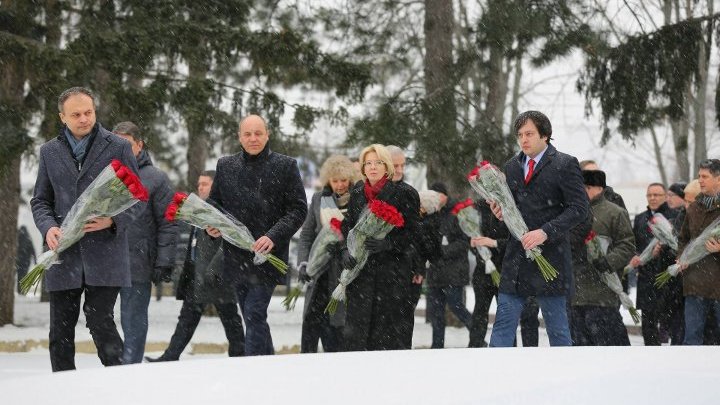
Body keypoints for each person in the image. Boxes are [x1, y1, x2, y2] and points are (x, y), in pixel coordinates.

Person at [31, 87, 144, 371]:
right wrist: (48, 228)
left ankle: (119, 382)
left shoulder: (117, 146)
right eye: (76, 114)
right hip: (63, 253)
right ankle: (63, 388)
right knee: (60, 331)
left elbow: (137, 197)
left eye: (88, 112)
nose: (84, 119)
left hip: (105, 253)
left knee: (99, 320)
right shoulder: (49, 151)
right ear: (62, 117)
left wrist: (113, 220)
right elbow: (41, 201)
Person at [207, 114, 307, 356]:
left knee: (254, 311)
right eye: (248, 134)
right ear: (240, 137)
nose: (253, 139)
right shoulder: (226, 165)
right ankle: (268, 362)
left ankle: (251, 368)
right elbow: (213, 203)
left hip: (268, 256)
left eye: (258, 133)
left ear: (267, 135)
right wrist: (211, 226)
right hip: (236, 256)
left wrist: (273, 236)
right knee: (252, 316)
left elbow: (298, 209)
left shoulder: (285, 166)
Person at [487, 111, 588, 347]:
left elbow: (579, 208)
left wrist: (545, 232)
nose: (523, 139)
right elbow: (511, 207)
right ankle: (492, 376)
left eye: (529, 133)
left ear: (545, 135)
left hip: (550, 258)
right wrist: (499, 213)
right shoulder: (511, 166)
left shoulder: (564, 163)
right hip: (516, 257)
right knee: (502, 326)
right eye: (520, 135)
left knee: (558, 331)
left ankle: (564, 380)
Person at [147, 171, 245, 361]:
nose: (200, 187)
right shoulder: (199, 208)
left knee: (230, 318)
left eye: (205, 184)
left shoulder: (225, 209)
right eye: (199, 184)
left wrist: (214, 269)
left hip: (217, 275)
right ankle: (170, 355)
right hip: (196, 273)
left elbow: (229, 244)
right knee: (188, 318)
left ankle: (240, 356)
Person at [340, 144, 420, 351]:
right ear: (363, 167)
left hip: (391, 275)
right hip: (361, 276)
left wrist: (390, 244)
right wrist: (344, 250)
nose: (373, 167)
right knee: (357, 336)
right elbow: (347, 225)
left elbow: (414, 233)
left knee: (388, 337)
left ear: (387, 166)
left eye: (378, 163)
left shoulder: (405, 193)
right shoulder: (357, 191)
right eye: (368, 163)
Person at [111, 121, 178, 364]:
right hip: (105, 260)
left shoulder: (156, 178)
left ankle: (130, 366)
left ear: (139, 145)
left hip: (137, 261)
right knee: (101, 319)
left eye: (127, 144)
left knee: (133, 319)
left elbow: (168, 222)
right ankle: (112, 363)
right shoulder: (104, 176)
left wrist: (164, 261)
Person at [296, 155, 358, 353]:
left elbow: (359, 238)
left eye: (343, 180)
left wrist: (344, 252)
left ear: (350, 179)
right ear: (327, 180)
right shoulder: (318, 199)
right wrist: (304, 263)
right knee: (310, 330)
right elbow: (306, 235)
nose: (339, 185)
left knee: (335, 332)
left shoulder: (358, 202)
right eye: (335, 180)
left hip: (342, 276)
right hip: (318, 274)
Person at [570, 170, 635, 346]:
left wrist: (608, 261)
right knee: (580, 348)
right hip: (575, 292)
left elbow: (627, 245)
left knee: (608, 346)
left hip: (602, 292)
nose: (581, 191)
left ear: (599, 188)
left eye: (586, 187)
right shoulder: (572, 212)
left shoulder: (615, 213)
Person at [425, 182, 472, 348]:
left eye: (439, 195)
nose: (436, 198)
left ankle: (477, 336)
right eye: (432, 195)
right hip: (435, 272)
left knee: (456, 306)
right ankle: (437, 345)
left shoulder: (458, 212)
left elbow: (464, 241)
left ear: (445, 196)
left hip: (454, 271)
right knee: (436, 313)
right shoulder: (429, 213)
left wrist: (442, 251)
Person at [629, 182, 677, 345]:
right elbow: (634, 244)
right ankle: (650, 352)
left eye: (657, 195)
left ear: (665, 197)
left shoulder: (674, 216)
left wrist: (662, 250)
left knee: (667, 321)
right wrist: (635, 257)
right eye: (649, 195)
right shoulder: (641, 218)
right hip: (646, 276)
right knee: (648, 322)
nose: (653, 198)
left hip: (666, 276)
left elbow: (678, 245)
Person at [679, 159, 720, 345]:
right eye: (699, 176)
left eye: (705, 176)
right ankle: (690, 373)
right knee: (692, 339)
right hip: (695, 283)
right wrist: (681, 258)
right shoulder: (694, 208)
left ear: (718, 179)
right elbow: (683, 238)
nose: (700, 181)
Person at [468, 201, 508, 347]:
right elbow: (472, 234)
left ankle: (505, 347)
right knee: (479, 313)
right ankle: (475, 346)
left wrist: (494, 243)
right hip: (483, 270)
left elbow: (515, 241)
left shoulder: (509, 206)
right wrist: (473, 244)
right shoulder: (478, 210)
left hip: (504, 270)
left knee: (505, 314)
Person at [15, 225, 36, 293]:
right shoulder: (28, 238)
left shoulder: (18, 239)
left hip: (19, 261)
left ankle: (19, 290)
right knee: (24, 276)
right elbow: (33, 250)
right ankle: (22, 290)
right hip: (26, 262)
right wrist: (35, 260)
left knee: (19, 276)